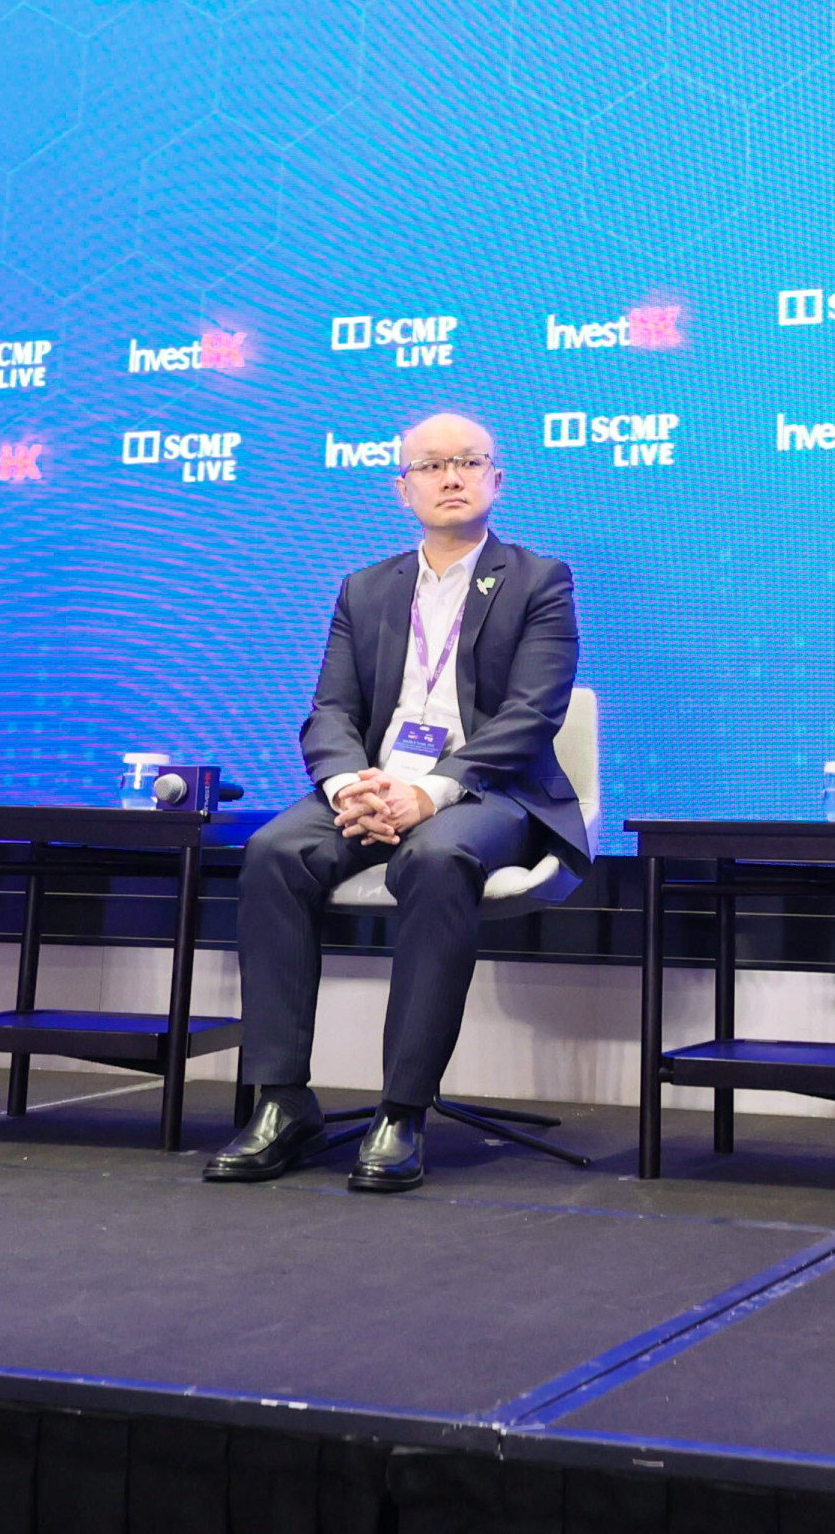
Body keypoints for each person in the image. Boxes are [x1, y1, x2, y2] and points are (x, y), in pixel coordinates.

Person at [205, 412, 585, 1193]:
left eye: (468, 462)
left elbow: (531, 714)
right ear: (401, 487)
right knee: (276, 850)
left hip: (489, 791)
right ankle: (282, 1101)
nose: (451, 477)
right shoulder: (366, 587)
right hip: (375, 784)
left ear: (496, 479)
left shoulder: (538, 580)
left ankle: (400, 1111)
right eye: (431, 466)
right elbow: (331, 711)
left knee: (437, 854)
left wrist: (428, 791)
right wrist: (354, 785)